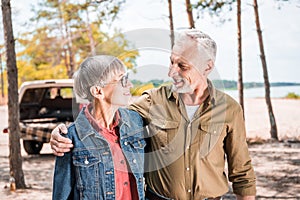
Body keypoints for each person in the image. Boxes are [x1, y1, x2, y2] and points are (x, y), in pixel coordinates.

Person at [50, 29, 256, 199]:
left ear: (207, 67)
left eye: (182, 66)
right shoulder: (151, 102)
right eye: (171, 62)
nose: (171, 72)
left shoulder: (229, 109)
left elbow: (242, 173)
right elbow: (105, 116)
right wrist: (60, 133)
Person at [52, 55, 146, 200]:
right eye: (122, 80)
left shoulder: (135, 121)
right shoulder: (71, 139)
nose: (130, 85)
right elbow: (61, 196)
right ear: (98, 91)